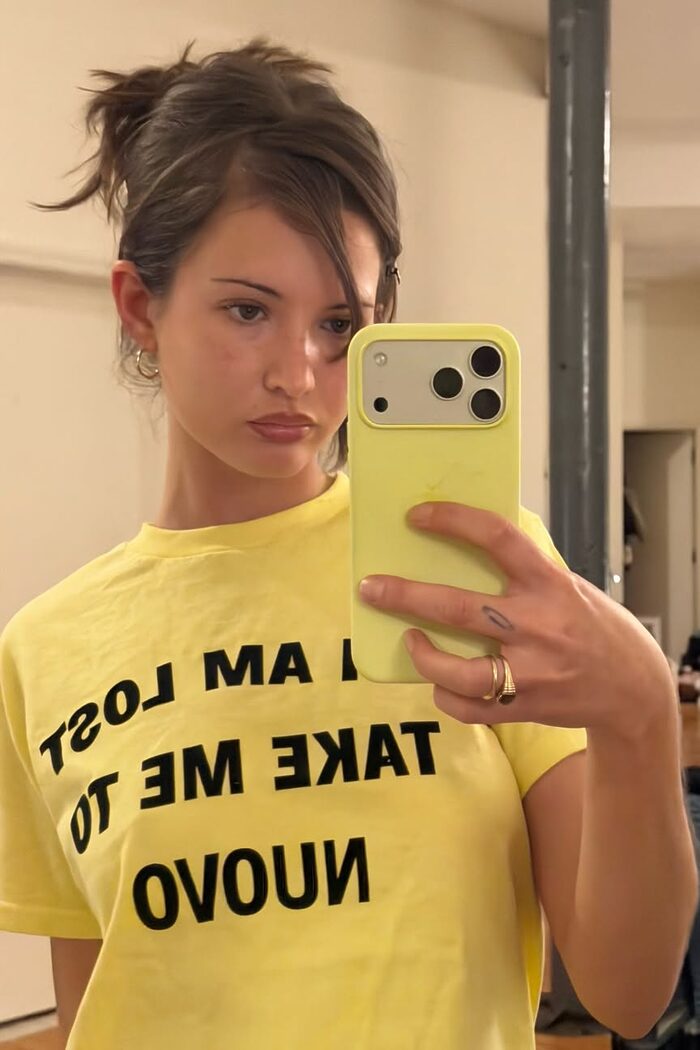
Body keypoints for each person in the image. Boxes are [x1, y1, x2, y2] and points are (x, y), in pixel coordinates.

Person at [0, 39, 696, 1050]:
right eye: (248, 310)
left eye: (338, 324)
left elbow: (627, 993)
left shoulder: (484, 575)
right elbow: (94, 1013)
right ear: (141, 307)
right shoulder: (43, 651)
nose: (298, 372)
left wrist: (640, 715)